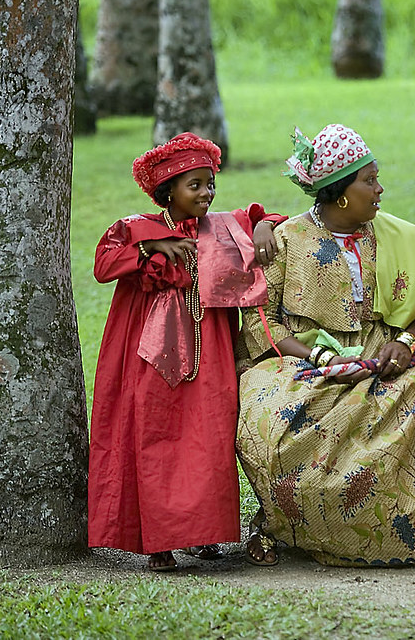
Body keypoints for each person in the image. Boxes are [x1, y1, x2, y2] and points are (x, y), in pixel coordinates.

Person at [235, 124, 415, 569]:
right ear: (339, 194)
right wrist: (320, 358)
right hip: (302, 359)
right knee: (273, 415)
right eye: (369, 181)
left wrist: (406, 341)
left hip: (387, 354)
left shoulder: (397, 238)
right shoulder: (287, 239)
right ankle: (275, 525)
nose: (380, 189)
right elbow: (260, 318)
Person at [88, 132, 286, 572]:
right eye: (194, 185)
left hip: (210, 347)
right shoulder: (136, 227)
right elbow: (103, 265)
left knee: (208, 435)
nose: (205, 193)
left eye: (209, 183)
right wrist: (152, 245)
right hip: (149, 350)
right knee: (155, 434)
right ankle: (157, 540)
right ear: (168, 190)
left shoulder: (223, 226)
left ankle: (202, 533)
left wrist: (265, 225)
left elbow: (268, 215)